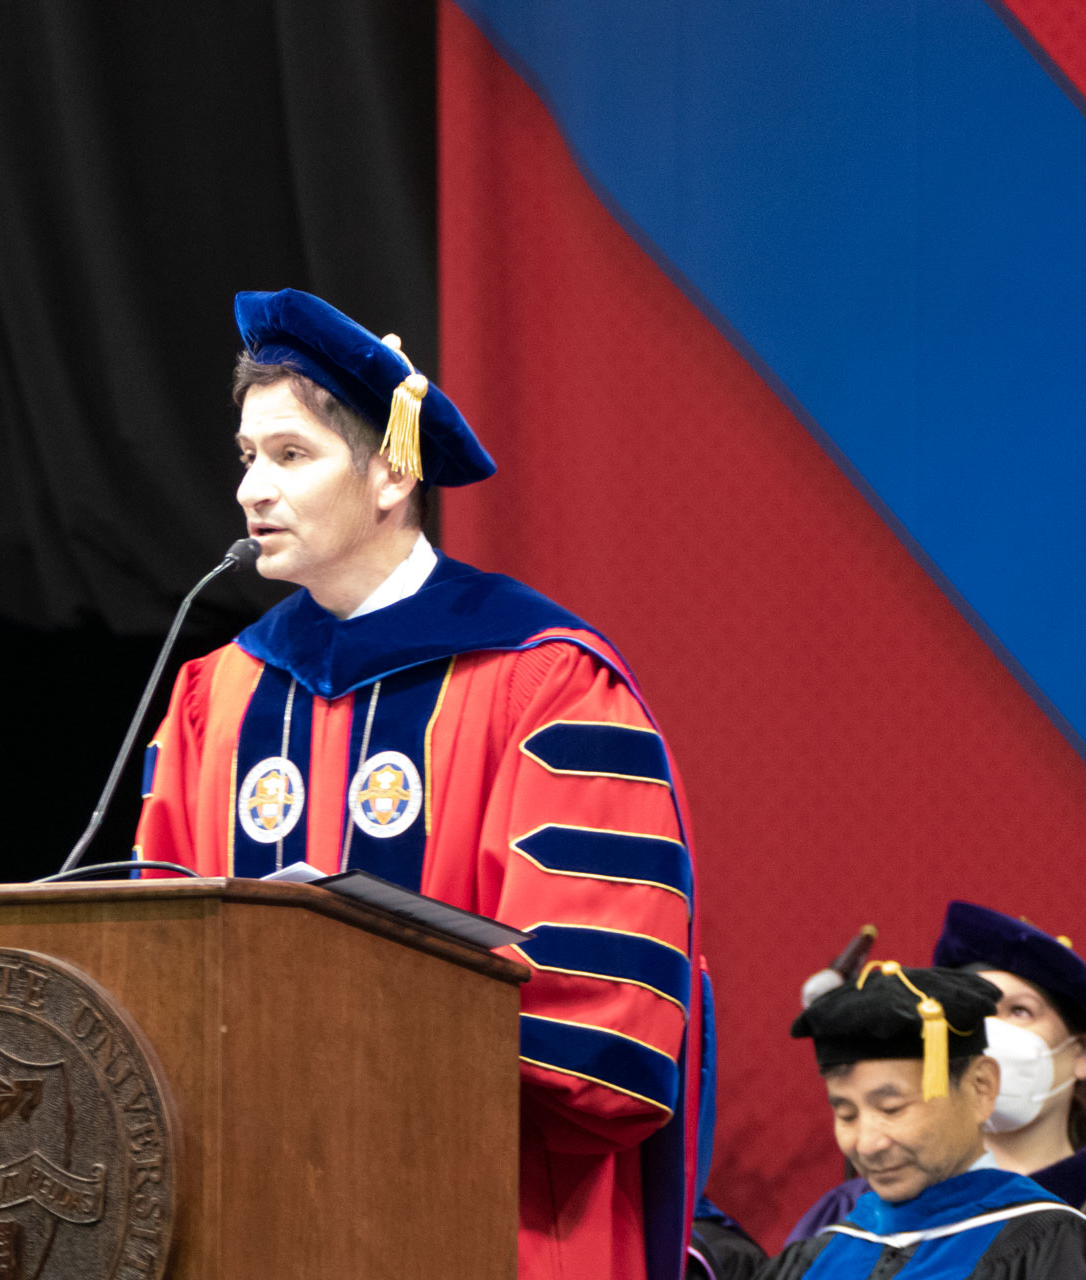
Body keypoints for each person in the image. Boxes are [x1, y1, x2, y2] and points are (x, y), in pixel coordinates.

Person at [133, 288, 705, 1280]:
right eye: (246, 456)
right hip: (258, 1216)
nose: (250, 490)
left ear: (392, 469)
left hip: (493, 1213)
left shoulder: (544, 676)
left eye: (290, 455)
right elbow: (156, 967)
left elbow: (598, 1017)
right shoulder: (216, 693)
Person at [761, 962, 1086, 1279]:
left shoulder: (1048, 1244)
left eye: (892, 1109)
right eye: (847, 1114)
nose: (867, 1143)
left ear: (981, 1088)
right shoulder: (820, 1253)